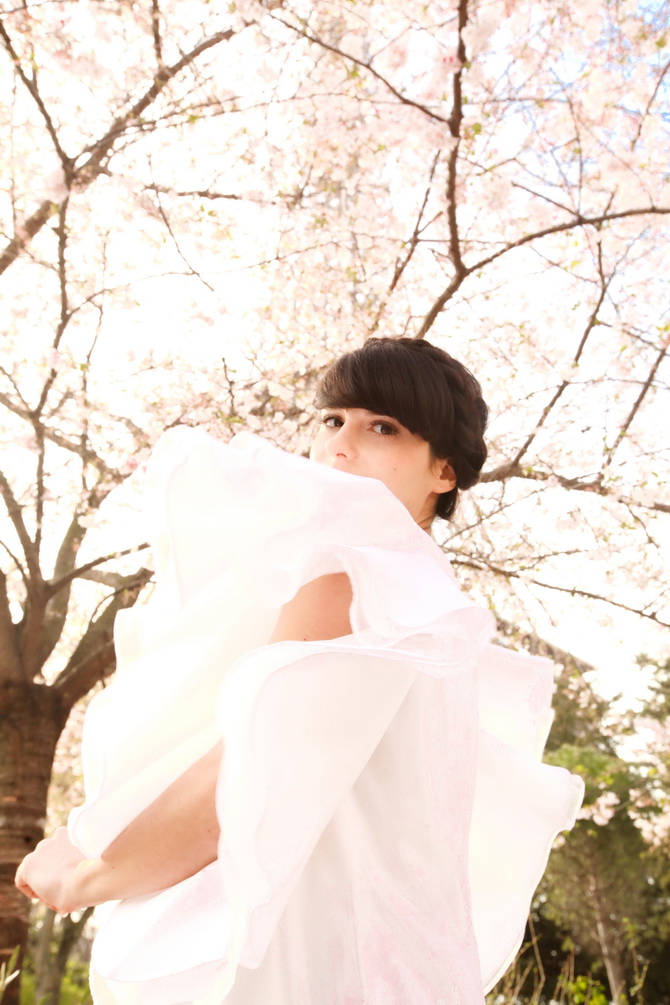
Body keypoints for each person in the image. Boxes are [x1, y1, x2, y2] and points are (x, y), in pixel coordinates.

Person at [16, 337, 584, 1004]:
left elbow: (245, 777)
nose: (341, 444)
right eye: (332, 418)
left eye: (383, 426)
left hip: (319, 968)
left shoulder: (357, 573)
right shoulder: (435, 608)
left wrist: (89, 874)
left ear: (445, 471)